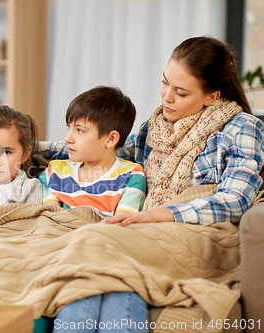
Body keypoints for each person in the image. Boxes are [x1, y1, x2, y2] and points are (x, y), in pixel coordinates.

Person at [50, 36, 264, 332]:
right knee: (105, 270)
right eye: (165, 83)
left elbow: (236, 198)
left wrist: (162, 214)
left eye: (181, 92)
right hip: (148, 229)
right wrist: (22, 147)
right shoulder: (155, 127)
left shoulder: (242, 127)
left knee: (94, 242)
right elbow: (107, 152)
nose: (167, 97)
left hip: (202, 235)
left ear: (211, 96)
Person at [39, 86, 147, 218]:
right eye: (69, 128)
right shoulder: (55, 172)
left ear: (111, 139)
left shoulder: (132, 176)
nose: (68, 138)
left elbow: (120, 224)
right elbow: (49, 220)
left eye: (79, 130)